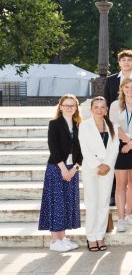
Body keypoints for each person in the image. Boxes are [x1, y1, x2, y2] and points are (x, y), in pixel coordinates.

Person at [38, 95, 83, 252]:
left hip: (73, 169)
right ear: (61, 106)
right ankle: (55, 241)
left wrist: (74, 169)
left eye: (73, 105)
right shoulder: (55, 124)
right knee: (56, 203)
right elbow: (54, 148)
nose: (70, 108)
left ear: (76, 107)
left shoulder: (79, 125)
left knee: (66, 203)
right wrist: (64, 169)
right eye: (66, 105)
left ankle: (62, 238)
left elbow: (83, 150)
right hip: (57, 168)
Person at [79, 96, 119, 251]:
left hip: (107, 170)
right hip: (91, 168)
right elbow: (85, 149)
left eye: (103, 107)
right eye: (96, 107)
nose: (100, 110)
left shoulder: (113, 126)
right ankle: (91, 237)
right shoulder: (84, 126)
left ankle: (100, 236)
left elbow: (114, 149)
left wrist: (107, 165)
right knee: (92, 203)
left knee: (103, 203)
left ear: (107, 109)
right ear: (91, 109)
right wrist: (97, 166)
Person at [109, 77, 132, 232]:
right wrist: (127, 142)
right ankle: (121, 217)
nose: (130, 90)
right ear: (122, 88)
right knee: (121, 184)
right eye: (127, 87)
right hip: (120, 146)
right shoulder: (115, 105)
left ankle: (130, 214)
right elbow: (114, 126)